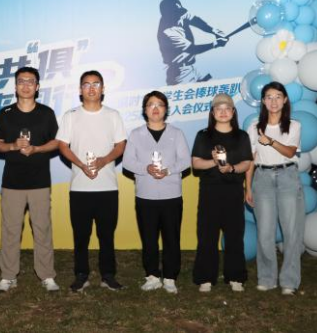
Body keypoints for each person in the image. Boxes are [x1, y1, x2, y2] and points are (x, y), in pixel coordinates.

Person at [57, 70, 127, 292]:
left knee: (106, 235)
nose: (91, 88)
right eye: (86, 84)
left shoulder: (113, 115)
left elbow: (120, 145)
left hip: (107, 187)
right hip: (80, 187)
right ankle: (81, 275)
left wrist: (104, 160)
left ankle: (108, 275)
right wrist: (81, 165)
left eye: (96, 84)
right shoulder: (70, 116)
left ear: (103, 88)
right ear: (80, 90)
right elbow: (62, 145)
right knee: (81, 236)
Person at [0, 66, 60, 292]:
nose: (25, 85)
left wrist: (37, 149)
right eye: (21, 81)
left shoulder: (46, 113)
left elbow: (56, 142)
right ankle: (8, 276)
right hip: (12, 182)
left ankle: (47, 275)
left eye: (30, 81)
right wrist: (13, 146)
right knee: (10, 230)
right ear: (15, 86)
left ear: (37, 87)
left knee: (42, 229)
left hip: (39, 181)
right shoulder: (5, 113)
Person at [122, 91, 191, 294]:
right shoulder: (136, 134)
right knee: (149, 238)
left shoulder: (176, 133)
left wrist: (168, 170)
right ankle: (152, 276)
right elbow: (127, 162)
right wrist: (146, 168)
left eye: (159, 104)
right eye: (150, 104)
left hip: (171, 195)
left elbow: (185, 161)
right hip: (146, 196)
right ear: (145, 110)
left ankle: (170, 277)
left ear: (166, 109)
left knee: (172, 238)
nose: (155, 108)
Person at [246, 82, 304, 296]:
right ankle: (267, 278)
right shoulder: (254, 127)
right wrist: (248, 187)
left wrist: (270, 141)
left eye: (278, 96)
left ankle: (289, 280)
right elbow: (250, 160)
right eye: (269, 97)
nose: (273, 101)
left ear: (285, 99)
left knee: (291, 231)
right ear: (263, 101)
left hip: (288, 176)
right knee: (264, 232)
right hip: (262, 178)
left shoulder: (294, 125)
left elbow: (290, 152)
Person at [191, 94, 253, 293]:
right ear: (212, 112)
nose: (223, 112)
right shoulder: (203, 136)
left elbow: (247, 162)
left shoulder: (242, 136)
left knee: (235, 235)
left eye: (227, 108)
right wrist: (214, 162)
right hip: (210, 192)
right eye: (219, 108)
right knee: (207, 236)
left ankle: (235, 276)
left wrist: (232, 168)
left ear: (233, 112)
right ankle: (205, 277)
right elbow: (196, 163)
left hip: (233, 192)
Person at [157, 0, 229, 85]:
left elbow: (195, 20)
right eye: (177, 12)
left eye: (180, 11)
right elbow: (192, 49)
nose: (181, 15)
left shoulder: (178, 15)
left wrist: (214, 31)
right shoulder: (169, 31)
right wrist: (216, 43)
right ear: (169, 14)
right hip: (180, 73)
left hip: (190, 67)